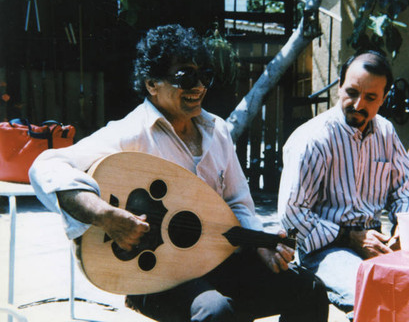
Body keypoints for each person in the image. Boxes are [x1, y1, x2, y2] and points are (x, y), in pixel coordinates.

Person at [29, 24, 329, 322]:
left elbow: (238, 202)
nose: (198, 87)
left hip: (215, 257)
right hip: (153, 271)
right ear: (152, 84)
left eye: (204, 76)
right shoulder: (130, 134)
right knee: (215, 311)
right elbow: (46, 166)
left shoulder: (219, 132)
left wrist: (259, 244)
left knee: (308, 287)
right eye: (185, 77)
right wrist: (104, 215)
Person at [277, 50, 409, 313]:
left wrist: (405, 225)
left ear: (384, 99)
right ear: (339, 86)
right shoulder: (313, 139)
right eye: (352, 92)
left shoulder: (385, 132)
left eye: (370, 98)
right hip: (324, 248)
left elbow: (406, 190)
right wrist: (349, 237)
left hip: (374, 242)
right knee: (371, 295)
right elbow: (293, 216)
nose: (358, 105)